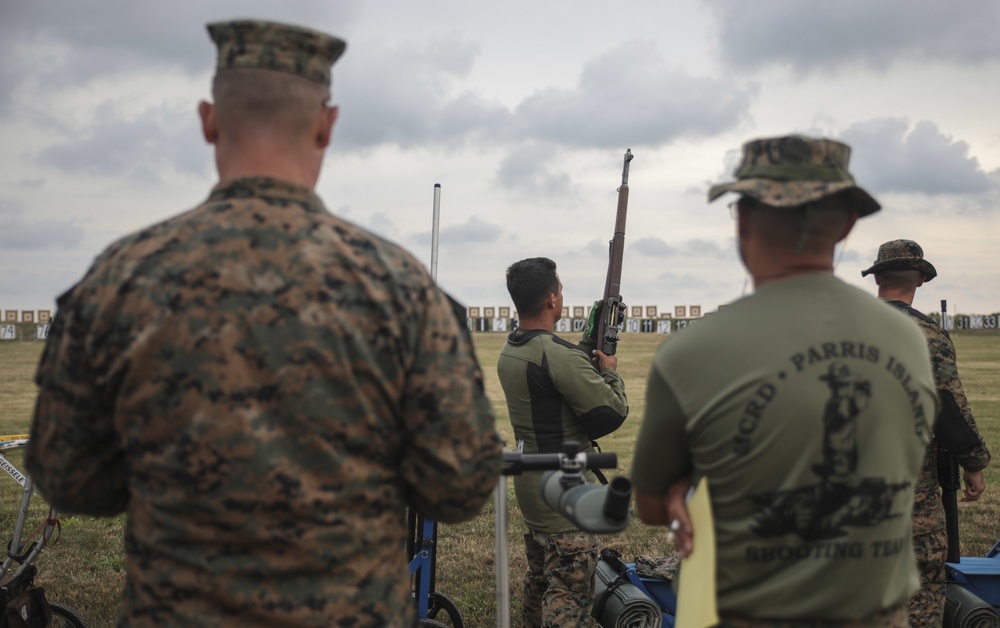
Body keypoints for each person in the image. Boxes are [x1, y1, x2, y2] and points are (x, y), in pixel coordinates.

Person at [26, 20, 502, 626]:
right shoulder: (397, 286)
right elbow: (459, 486)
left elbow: (69, 478)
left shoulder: (121, 278)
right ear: (326, 125)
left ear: (208, 119)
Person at [631, 135, 938, 625]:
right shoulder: (908, 340)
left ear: (743, 220)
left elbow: (649, 504)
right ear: (848, 224)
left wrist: (681, 489)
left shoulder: (693, 352)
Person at [862, 239, 991, 626]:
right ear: (920, 279)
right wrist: (974, 462)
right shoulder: (928, 335)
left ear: (878, 278)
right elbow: (949, 407)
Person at [497, 257, 628, 628]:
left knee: (539, 582)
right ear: (552, 299)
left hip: (533, 494)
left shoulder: (513, 348)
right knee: (569, 594)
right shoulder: (554, 356)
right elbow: (610, 413)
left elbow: (562, 363)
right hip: (566, 502)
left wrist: (593, 333)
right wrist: (611, 374)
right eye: (561, 288)